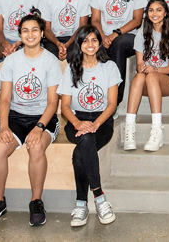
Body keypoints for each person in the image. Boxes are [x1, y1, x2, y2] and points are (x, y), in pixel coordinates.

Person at [0, 9, 62, 227]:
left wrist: (39, 127)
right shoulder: (11, 61)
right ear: (20, 35)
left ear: (42, 33)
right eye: (25, 30)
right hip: (16, 116)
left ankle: (36, 201)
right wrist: (4, 127)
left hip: (44, 117)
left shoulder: (51, 61)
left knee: (35, 147)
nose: (30, 34)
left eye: (34, 30)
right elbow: (5, 99)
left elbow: (53, 103)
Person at [56, 26, 120, 227]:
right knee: (83, 139)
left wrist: (96, 124)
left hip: (102, 122)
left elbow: (111, 104)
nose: (90, 44)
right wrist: (77, 123)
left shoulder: (109, 67)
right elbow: (65, 106)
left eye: (94, 40)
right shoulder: (71, 68)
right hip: (76, 120)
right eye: (85, 41)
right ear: (80, 44)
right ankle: (100, 198)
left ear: (100, 43)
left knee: (79, 154)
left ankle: (81, 204)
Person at [124, 0, 169, 152]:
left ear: (165, 13)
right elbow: (139, 64)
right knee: (139, 76)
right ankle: (129, 129)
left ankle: (157, 130)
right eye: (151, 10)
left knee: (150, 76)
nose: (154, 13)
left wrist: (154, 70)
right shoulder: (141, 33)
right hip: (148, 79)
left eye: (159, 10)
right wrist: (143, 67)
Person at [90, 0, 146, 103]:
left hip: (128, 37)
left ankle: (115, 99)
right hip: (104, 35)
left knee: (119, 43)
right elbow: (95, 20)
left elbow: (137, 20)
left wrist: (115, 34)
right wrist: (102, 36)